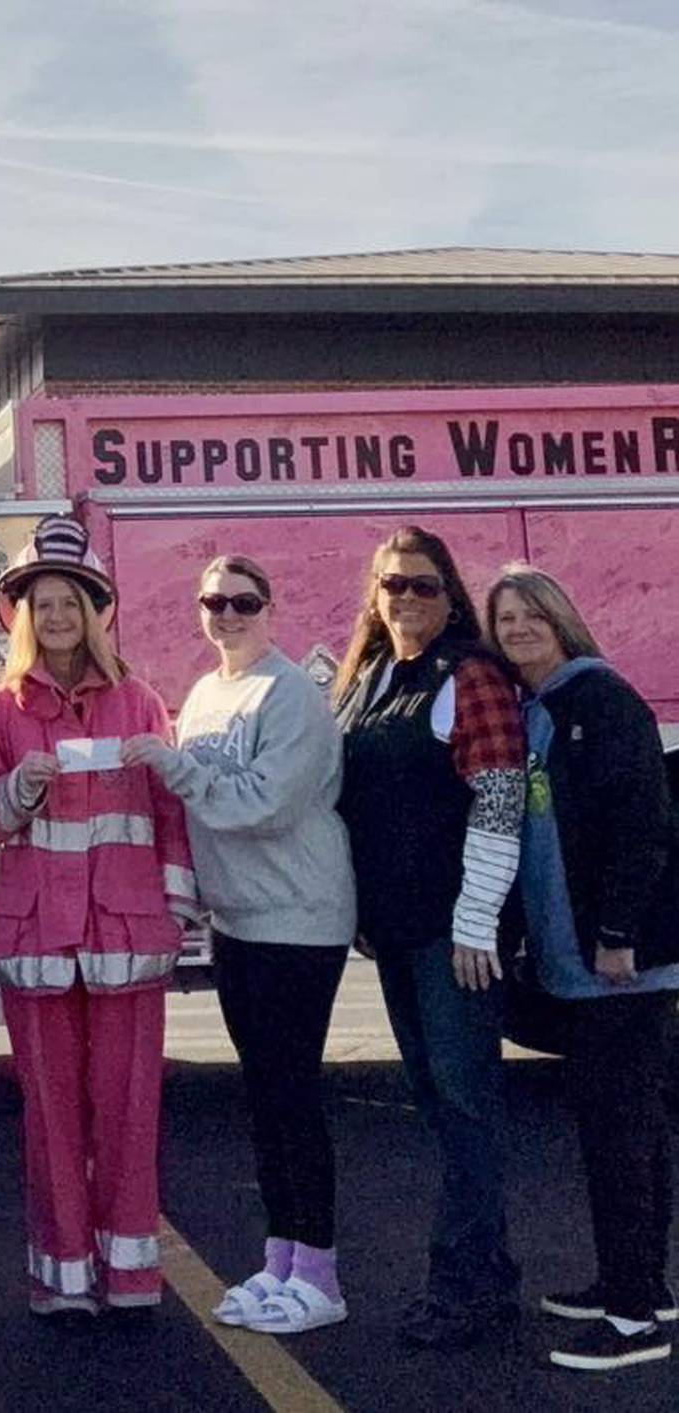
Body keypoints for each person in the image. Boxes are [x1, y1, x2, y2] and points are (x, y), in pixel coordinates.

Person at [0, 514, 192, 1317]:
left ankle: (129, 1271)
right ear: (21, 616)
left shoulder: (141, 700)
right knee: (51, 1116)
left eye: (70, 602)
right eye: (41, 604)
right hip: (38, 939)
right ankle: (63, 1272)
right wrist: (20, 784)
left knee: (131, 1110)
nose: (56, 616)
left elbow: (170, 815)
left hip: (128, 936)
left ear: (96, 612)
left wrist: (175, 908)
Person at [123, 555, 356, 1334]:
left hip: (297, 918)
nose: (227, 615)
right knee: (262, 1097)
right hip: (238, 922)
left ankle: (320, 1271)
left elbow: (264, 803)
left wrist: (177, 769)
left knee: (292, 1094)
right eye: (213, 602)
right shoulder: (204, 692)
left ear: (270, 607)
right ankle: (280, 1260)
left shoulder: (291, 695)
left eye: (243, 602)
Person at [333, 525, 525, 1350]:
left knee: (466, 1107)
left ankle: (463, 1288)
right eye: (391, 585)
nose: (405, 598)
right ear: (374, 598)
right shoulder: (371, 681)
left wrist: (477, 920)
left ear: (450, 597)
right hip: (399, 934)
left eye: (422, 585)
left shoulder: (469, 676)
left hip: (457, 941)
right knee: (444, 1111)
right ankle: (492, 1275)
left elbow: (501, 800)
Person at [486, 564, 679, 1373]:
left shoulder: (600, 699)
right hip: (575, 964)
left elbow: (645, 821)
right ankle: (638, 1284)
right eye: (506, 620)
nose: (520, 629)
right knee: (630, 1128)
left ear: (563, 619)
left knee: (618, 1135)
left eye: (534, 614)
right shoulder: (539, 711)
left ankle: (633, 1321)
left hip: (620, 965)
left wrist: (617, 932)